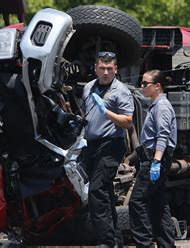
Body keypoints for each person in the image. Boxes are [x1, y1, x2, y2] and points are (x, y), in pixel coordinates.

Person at [82, 51, 134, 247]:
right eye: (102, 68)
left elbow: (128, 121)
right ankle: (116, 240)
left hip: (112, 144)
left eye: (109, 69)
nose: (105, 73)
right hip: (91, 145)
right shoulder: (88, 88)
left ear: (116, 70)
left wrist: (107, 112)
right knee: (104, 193)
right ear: (95, 68)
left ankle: (106, 241)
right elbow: (86, 113)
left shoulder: (121, 91)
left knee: (97, 191)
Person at [129, 70, 177, 248]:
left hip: (155, 158)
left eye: (145, 84)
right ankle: (167, 244)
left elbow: (163, 135)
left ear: (157, 86)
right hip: (154, 158)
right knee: (158, 203)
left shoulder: (162, 107)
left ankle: (145, 244)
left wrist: (156, 162)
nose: (142, 87)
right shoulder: (157, 105)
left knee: (137, 202)